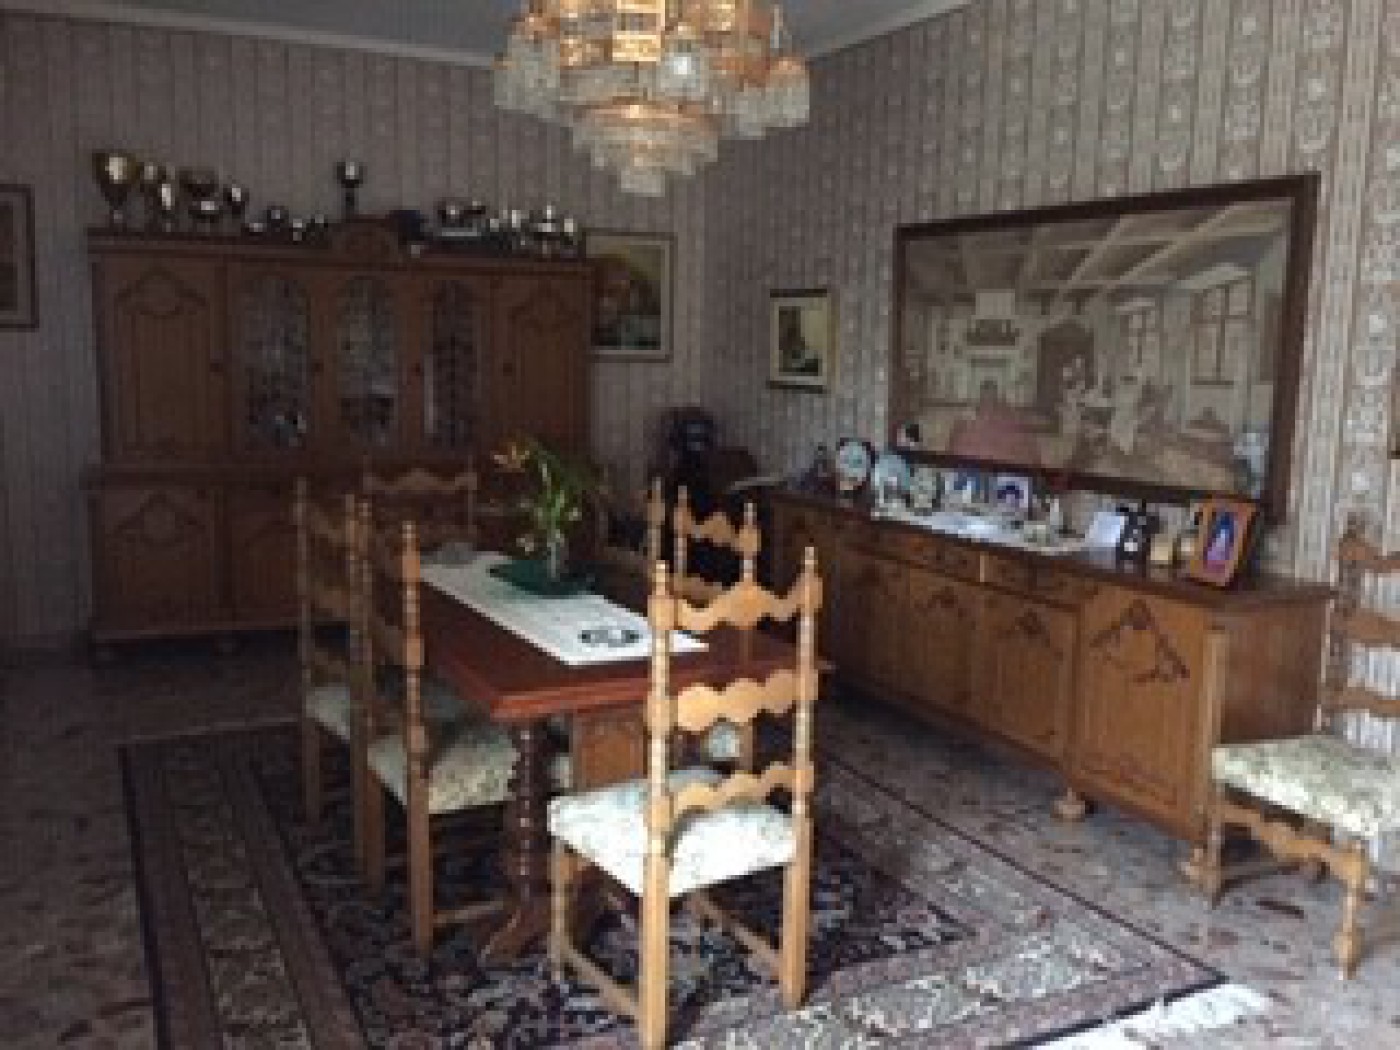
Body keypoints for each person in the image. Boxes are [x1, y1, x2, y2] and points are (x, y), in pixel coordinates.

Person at [948, 378, 1041, 465]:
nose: (987, 399)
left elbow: (1029, 448)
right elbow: (953, 444)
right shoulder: (965, 421)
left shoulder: (1012, 419)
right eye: (986, 396)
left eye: (990, 396)